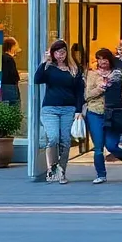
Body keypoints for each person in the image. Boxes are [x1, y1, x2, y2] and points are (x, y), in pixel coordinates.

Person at [82, 47, 122, 184]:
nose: (101, 62)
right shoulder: (91, 75)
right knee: (98, 147)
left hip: (113, 114)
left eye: (104, 58)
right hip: (95, 112)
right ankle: (101, 174)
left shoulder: (118, 75)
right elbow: (87, 95)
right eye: (99, 59)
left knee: (111, 146)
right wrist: (102, 88)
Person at [33, 39, 83, 184]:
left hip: (68, 108)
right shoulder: (48, 67)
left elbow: (79, 91)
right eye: (56, 53)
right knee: (53, 137)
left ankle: (62, 171)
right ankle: (51, 169)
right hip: (50, 108)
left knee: (66, 141)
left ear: (67, 53)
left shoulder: (74, 69)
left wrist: (78, 110)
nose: (59, 55)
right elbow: (37, 79)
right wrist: (44, 62)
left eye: (62, 52)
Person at [1, 37, 21, 105]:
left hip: (2, 86)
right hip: (10, 87)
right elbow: (13, 75)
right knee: (13, 106)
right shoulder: (9, 59)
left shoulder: (1, 57)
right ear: (12, 47)